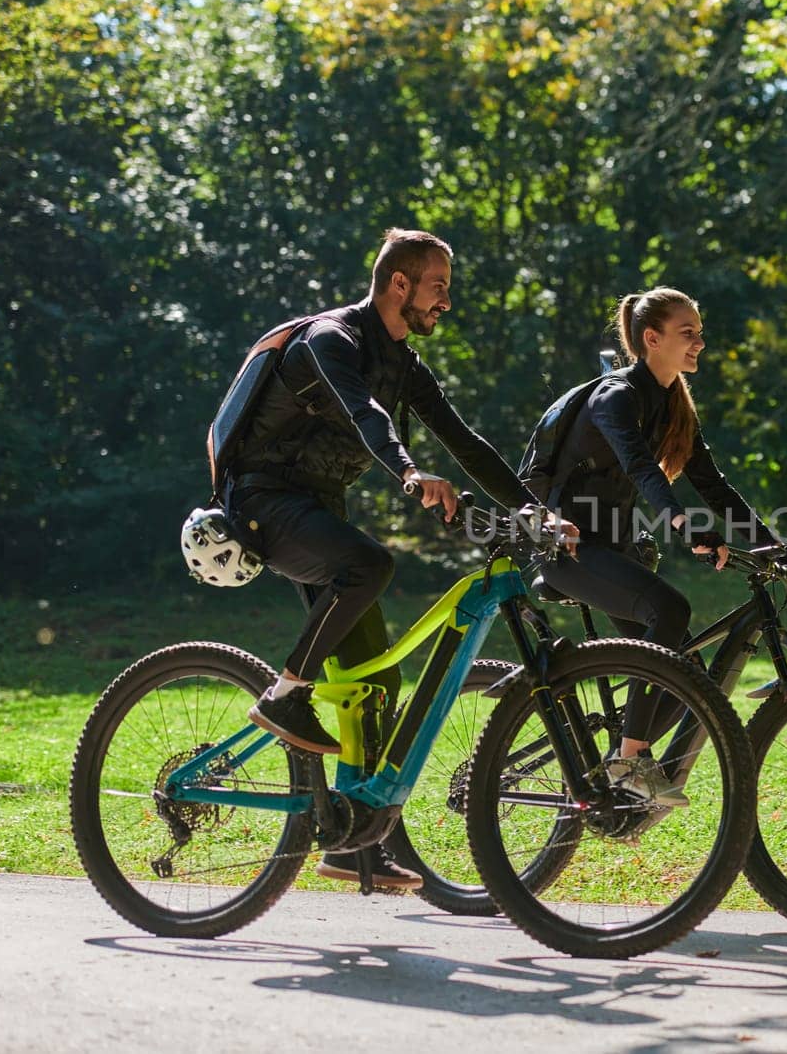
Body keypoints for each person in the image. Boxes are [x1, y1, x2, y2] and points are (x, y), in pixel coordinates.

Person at [226, 228, 575, 887]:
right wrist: (411, 474)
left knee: (374, 682)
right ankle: (284, 695)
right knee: (371, 565)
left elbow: (466, 443)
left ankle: (353, 842)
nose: (446, 301)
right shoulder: (332, 339)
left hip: (317, 508)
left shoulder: (404, 364)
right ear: (399, 284)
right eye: (438, 286)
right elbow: (365, 417)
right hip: (262, 497)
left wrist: (537, 507)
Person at [535, 287, 787, 806]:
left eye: (700, 334)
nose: (700, 344)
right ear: (652, 339)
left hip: (614, 550)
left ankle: (614, 766)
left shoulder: (672, 406)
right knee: (671, 608)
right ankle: (629, 759)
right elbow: (643, 470)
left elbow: (713, 485)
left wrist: (777, 550)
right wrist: (689, 529)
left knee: (684, 672)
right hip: (567, 551)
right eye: (688, 334)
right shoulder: (615, 396)